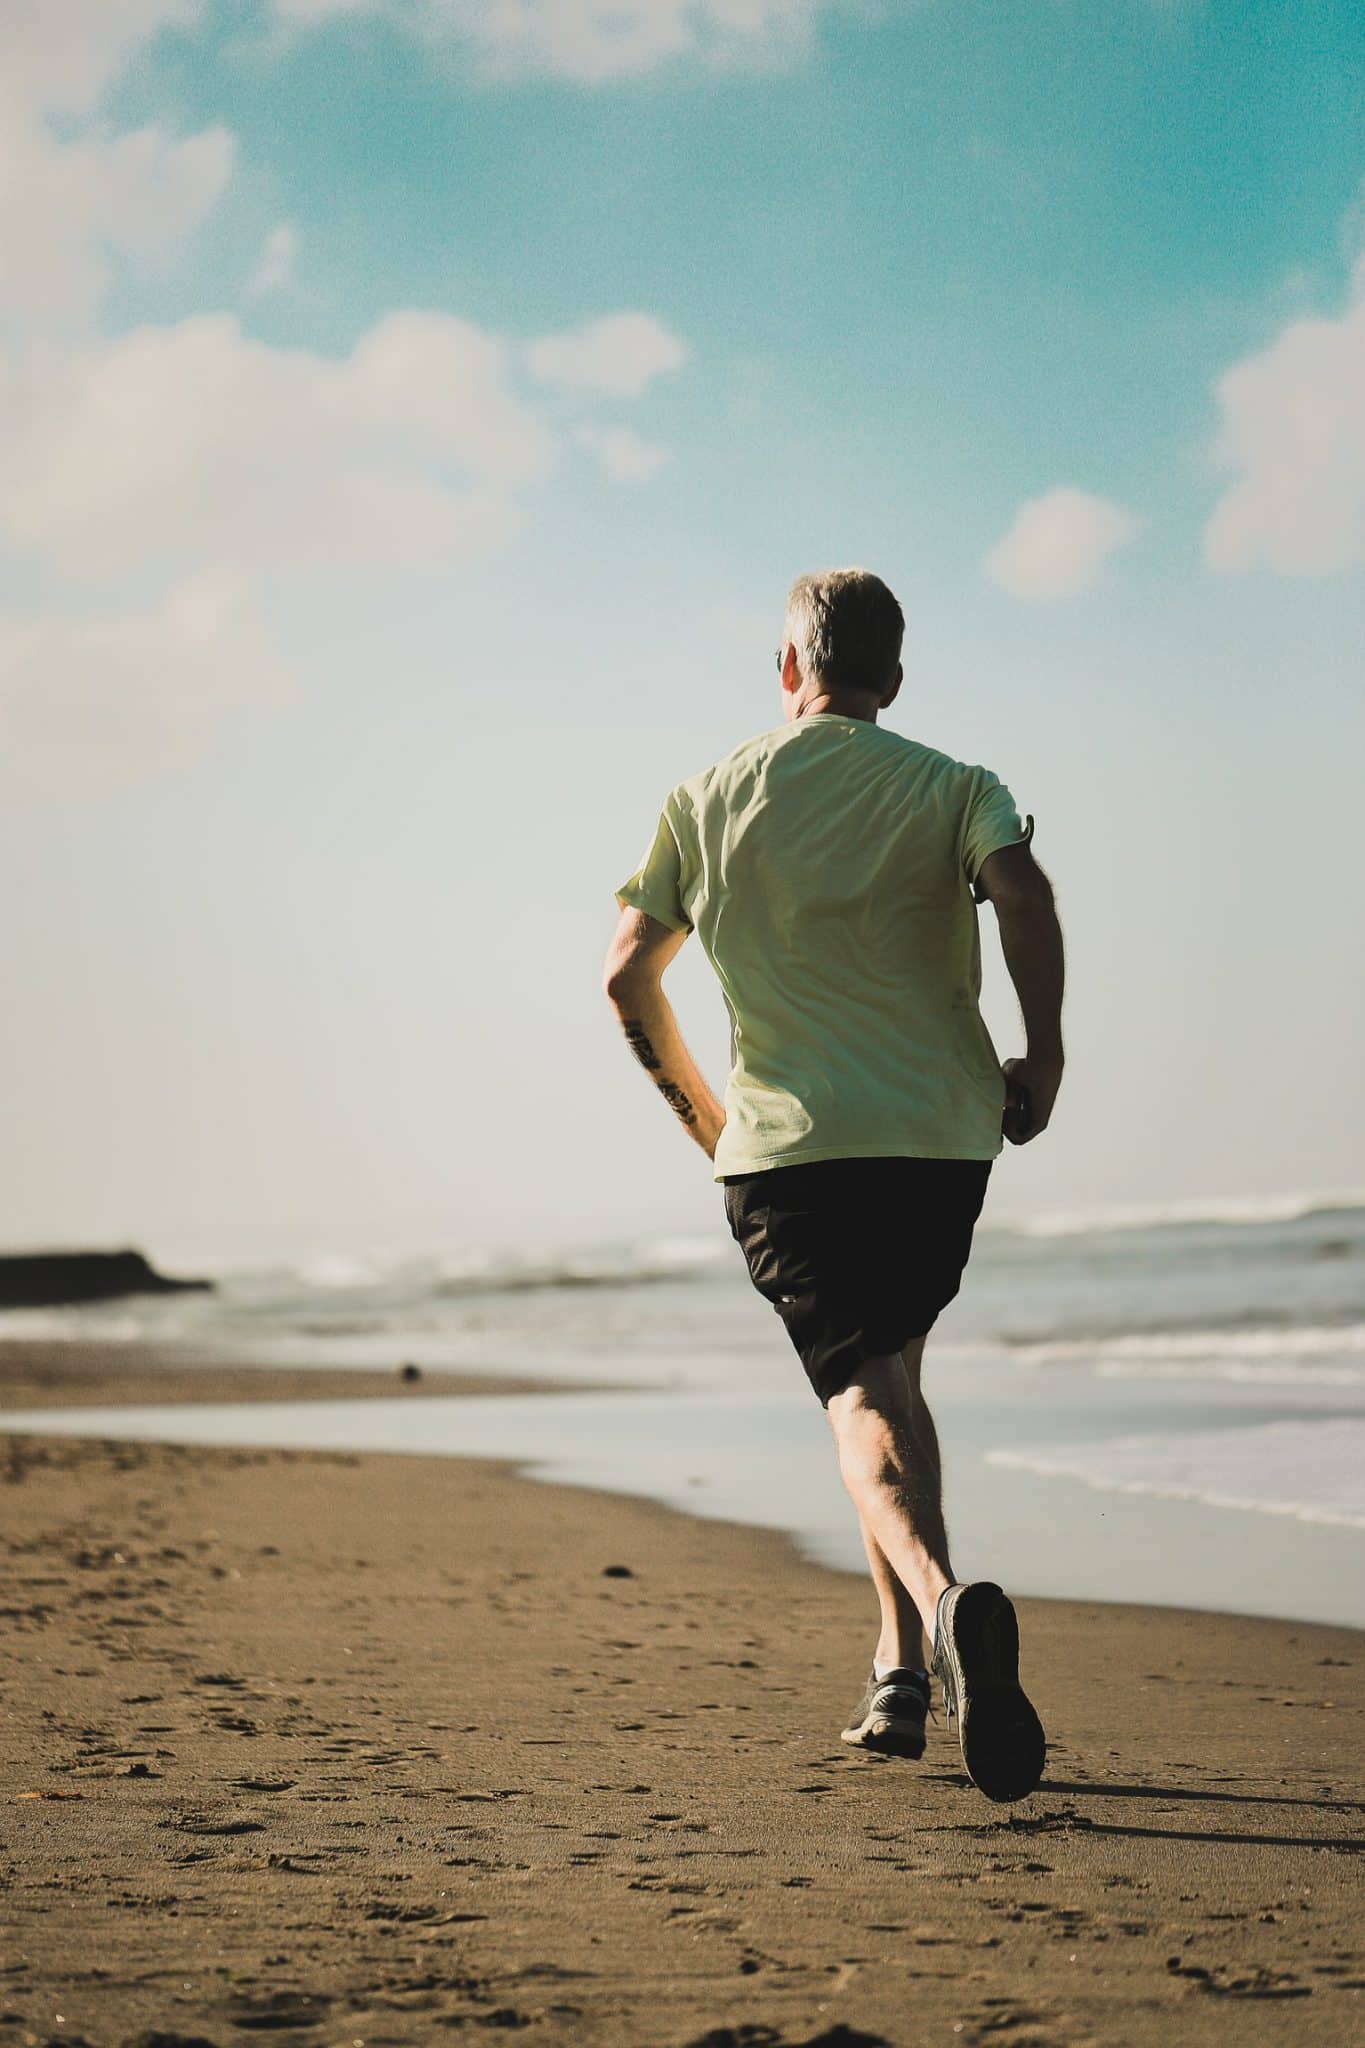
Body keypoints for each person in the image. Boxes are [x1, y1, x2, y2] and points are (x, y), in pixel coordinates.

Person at [602, 567, 1064, 1803]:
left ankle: (943, 1605)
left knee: (859, 1397)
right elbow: (1024, 892)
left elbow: (625, 979)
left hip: (791, 1153)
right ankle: (899, 1671)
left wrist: (709, 1119)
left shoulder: (704, 798)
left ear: (786, 668)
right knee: (893, 1378)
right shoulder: (956, 784)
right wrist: (1047, 1057)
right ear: (892, 680)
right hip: (939, 1141)